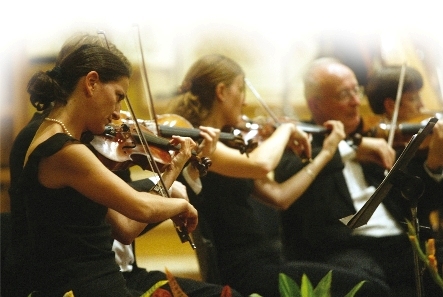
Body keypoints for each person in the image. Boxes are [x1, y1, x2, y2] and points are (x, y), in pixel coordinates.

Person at [4, 36, 230, 297]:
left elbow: (126, 226)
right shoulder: (65, 151)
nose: (117, 112)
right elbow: (141, 206)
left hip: (98, 281)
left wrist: (174, 168)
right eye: (118, 96)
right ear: (91, 82)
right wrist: (181, 204)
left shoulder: (68, 142)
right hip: (83, 286)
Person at [166, 54, 392, 297]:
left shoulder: (230, 145)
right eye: (240, 89)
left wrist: (326, 153)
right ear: (221, 91)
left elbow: (280, 197)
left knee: (371, 284)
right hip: (245, 271)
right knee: (370, 290)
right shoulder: (204, 144)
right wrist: (285, 129)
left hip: (269, 262)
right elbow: (262, 164)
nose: (243, 102)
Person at [274, 57, 443, 297]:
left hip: (401, 240)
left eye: (357, 90)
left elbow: (419, 203)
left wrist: (434, 165)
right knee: (367, 282)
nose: (356, 102)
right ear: (316, 105)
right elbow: (292, 184)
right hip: (345, 247)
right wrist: (348, 150)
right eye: (344, 94)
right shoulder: (299, 145)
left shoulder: (379, 141)